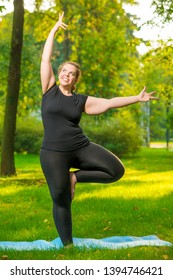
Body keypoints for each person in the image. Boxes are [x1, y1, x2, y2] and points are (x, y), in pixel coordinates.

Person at [40, 12, 158, 247]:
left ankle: (74, 176)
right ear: (59, 73)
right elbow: (45, 60)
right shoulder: (48, 89)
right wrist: (53, 30)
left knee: (116, 170)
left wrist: (137, 98)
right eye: (64, 71)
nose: (66, 74)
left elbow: (110, 102)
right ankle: (68, 246)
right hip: (53, 153)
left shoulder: (80, 100)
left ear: (75, 80)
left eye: (71, 74)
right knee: (61, 199)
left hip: (80, 146)